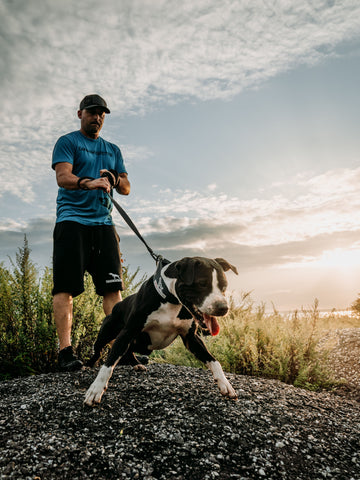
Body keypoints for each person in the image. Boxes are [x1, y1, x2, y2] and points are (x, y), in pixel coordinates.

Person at [52, 94, 130, 372]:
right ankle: (65, 352)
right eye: (92, 112)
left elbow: (127, 187)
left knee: (113, 289)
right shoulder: (68, 142)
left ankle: (121, 350)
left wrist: (114, 178)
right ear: (80, 113)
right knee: (65, 288)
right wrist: (90, 182)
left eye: (102, 114)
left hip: (104, 225)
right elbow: (63, 177)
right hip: (72, 223)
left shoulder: (113, 149)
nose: (97, 117)